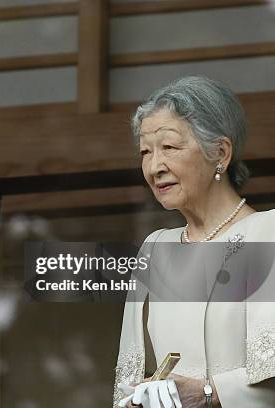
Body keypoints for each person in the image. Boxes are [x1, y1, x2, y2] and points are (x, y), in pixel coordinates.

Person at [113, 76, 275, 407]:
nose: (154, 166)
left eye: (169, 147)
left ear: (220, 153)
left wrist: (207, 393)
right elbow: (128, 380)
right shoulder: (156, 247)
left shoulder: (268, 231)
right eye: (146, 152)